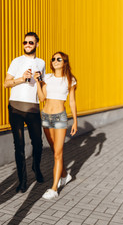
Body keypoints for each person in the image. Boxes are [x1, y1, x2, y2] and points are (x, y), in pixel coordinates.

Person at [3, 32, 45, 193]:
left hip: (33, 108)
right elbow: (5, 83)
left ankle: (36, 167)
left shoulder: (41, 63)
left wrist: (39, 79)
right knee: (18, 145)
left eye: (31, 42)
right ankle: (23, 180)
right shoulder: (16, 61)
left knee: (38, 143)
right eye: (25, 42)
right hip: (15, 108)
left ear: (37, 44)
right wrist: (21, 78)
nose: (27, 45)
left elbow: (42, 90)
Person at [34, 51, 77, 199]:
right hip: (46, 117)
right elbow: (42, 97)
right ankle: (65, 175)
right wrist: (38, 83)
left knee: (58, 153)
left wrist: (75, 121)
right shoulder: (47, 78)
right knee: (54, 152)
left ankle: (54, 188)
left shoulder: (70, 80)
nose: (55, 61)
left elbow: (72, 101)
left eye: (59, 59)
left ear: (65, 62)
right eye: (53, 59)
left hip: (60, 118)